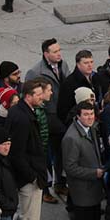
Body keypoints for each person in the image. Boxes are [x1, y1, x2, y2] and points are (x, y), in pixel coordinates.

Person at [7, 79, 52, 220]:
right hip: (28, 179)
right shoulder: (23, 119)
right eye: (38, 95)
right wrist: (32, 177)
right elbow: (17, 153)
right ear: (28, 96)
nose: (42, 98)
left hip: (28, 175)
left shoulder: (19, 112)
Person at [25, 39, 69, 200]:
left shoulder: (63, 65)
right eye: (55, 52)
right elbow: (29, 96)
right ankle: (44, 190)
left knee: (61, 151)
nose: (59, 54)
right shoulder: (35, 72)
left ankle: (60, 183)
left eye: (59, 50)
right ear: (46, 54)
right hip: (46, 116)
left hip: (60, 116)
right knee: (45, 155)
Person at [63, 101, 105, 220]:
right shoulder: (71, 138)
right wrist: (94, 173)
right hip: (83, 191)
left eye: (91, 114)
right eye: (86, 114)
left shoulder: (91, 129)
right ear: (78, 116)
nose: (89, 117)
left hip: (93, 188)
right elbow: (70, 167)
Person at [58, 50, 101, 124]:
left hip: (94, 120)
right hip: (78, 123)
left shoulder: (96, 77)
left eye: (91, 62)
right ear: (78, 64)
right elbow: (63, 110)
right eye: (86, 63)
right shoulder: (69, 83)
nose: (90, 65)